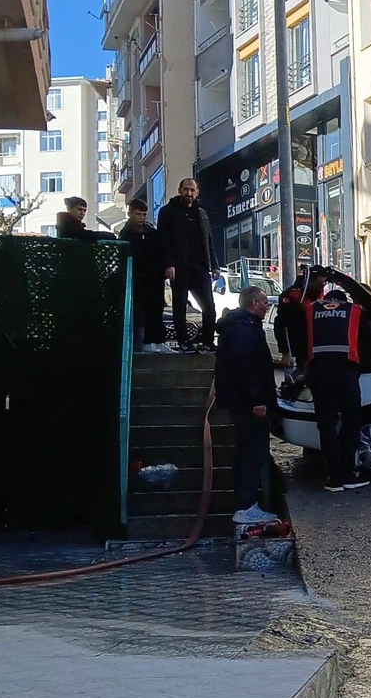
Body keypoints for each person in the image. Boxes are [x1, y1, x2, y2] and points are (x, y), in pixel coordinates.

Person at [215, 286, 280, 524]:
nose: (266, 306)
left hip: (243, 402)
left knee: (248, 452)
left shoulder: (239, 326)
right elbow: (244, 368)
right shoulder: (244, 329)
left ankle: (247, 503)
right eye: (264, 302)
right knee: (251, 453)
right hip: (249, 405)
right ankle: (246, 506)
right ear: (253, 304)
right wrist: (257, 400)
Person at [301, 289, 370, 492]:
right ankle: (349, 474)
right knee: (351, 421)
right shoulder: (355, 310)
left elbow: (299, 337)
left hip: (318, 372)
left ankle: (333, 477)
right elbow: (367, 340)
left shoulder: (312, 311)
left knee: (326, 424)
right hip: (345, 372)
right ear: (343, 300)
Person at [159, 178, 221, 353]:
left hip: (200, 267)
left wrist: (215, 265)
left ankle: (208, 341)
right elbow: (164, 240)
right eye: (186, 189)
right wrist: (169, 264)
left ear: (197, 192)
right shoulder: (167, 212)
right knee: (180, 306)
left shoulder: (201, 213)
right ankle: (183, 342)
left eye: (192, 190)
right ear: (179, 190)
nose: (189, 193)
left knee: (209, 306)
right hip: (179, 267)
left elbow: (208, 240)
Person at [120, 199, 169, 354]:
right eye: (138, 214)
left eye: (144, 214)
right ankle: (143, 343)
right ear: (130, 213)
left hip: (154, 278)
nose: (141, 217)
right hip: (137, 278)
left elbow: (162, 252)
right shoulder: (126, 234)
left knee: (157, 309)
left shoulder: (152, 233)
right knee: (140, 312)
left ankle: (158, 341)